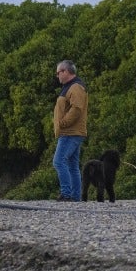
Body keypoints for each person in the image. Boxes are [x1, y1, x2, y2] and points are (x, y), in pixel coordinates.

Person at [52, 59, 87, 201]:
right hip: (71, 132)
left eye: (58, 73)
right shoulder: (70, 86)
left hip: (70, 132)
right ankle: (75, 197)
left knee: (59, 161)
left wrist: (63, 123)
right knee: (72, 165)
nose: (57, 76)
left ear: (66, 72)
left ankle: (66, 194)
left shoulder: (75, 87)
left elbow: (77, 109)